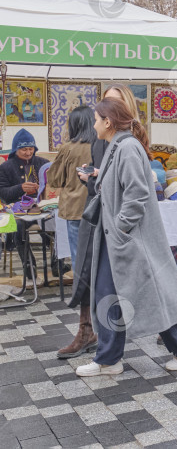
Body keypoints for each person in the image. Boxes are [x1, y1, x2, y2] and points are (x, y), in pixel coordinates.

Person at [76, 97, 177, 377]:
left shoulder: (127, 147)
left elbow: (136, 193)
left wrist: (121, 228)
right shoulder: (118, 146)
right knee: (111, 296)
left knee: (151, 295)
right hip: (119, 241)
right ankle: (109, 359)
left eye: (97, 119)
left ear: (108, 122)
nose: (94, 124)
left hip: (128, 240)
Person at [59, 86, 139, 360]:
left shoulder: (130, 140)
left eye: (112, 102)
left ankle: (173, 333)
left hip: (119, 223)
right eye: (104, 101)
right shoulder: (99, 140)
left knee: (138, 279)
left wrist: (122, 225)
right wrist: (94, 178)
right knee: (92, 277)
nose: (105, 107)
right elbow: (103, 185)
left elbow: (134, 189)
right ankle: (93, 338)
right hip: (97, 217)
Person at [0, 128, 49, 278]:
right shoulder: (5, 167)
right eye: (24, 149)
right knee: (18, 225)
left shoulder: (43, 163)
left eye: (31, 149)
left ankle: (57, 262)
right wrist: (20, 188)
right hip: (17, 209)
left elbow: (54, 185)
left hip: (42, 208)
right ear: (16, 149)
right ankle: (28, 264)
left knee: (57, 220)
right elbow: (3, 194)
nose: (28, 153)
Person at [49, 107, 95, 263]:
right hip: (98, 207)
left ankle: (81, 287)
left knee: (78, 256)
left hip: (74, 207)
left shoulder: (68, 148)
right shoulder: (102, 145)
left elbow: (54, 180)